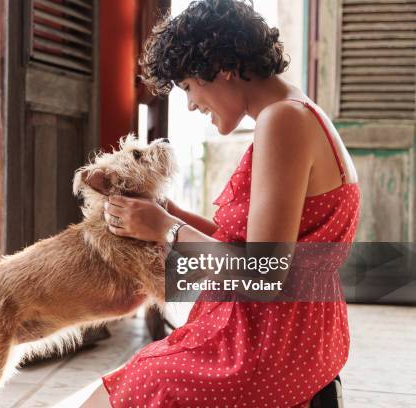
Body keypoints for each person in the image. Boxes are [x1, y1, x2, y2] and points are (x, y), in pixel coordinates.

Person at [81, 0, 360, 406]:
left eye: (190, 87)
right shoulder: (295, 114)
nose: (191, 104)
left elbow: (263, 276)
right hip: (303, 333)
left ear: (224, 67)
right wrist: (170, 213)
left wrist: (165, 229)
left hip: (270, 343)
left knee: (118, 393)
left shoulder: (283, 121)